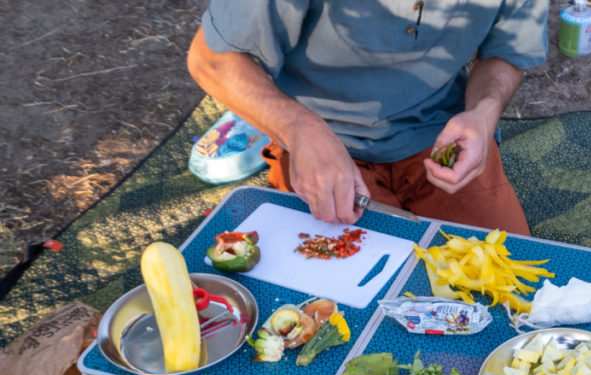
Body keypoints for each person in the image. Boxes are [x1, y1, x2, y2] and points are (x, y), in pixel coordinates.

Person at [187, 0, 548, 234]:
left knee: (507, 277)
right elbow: (212, 59)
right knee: (350, 298)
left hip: (439, 133)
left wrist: (483, 113)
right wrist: (300, 130)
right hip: (322, 140)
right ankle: (264, 123)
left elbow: (507, 51)